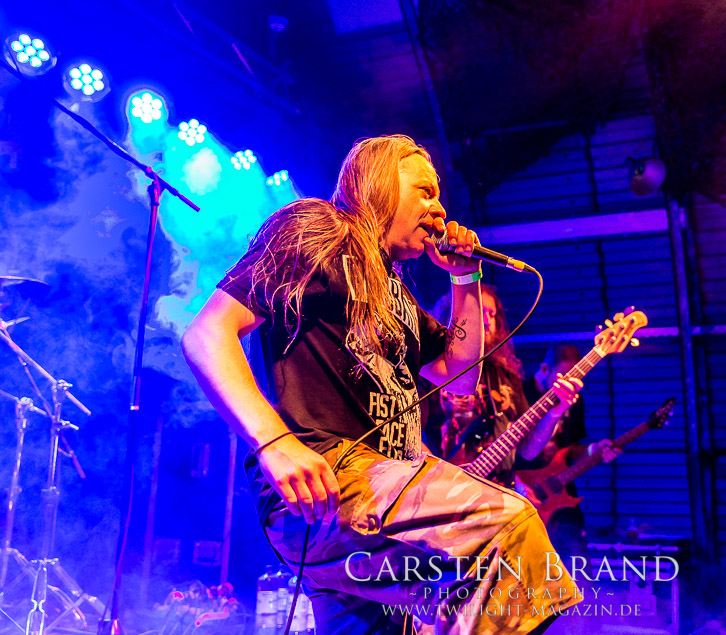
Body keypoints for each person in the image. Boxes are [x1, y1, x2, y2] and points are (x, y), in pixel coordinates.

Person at [180, 135, 583, 635]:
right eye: (425, 191)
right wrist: (275, 442)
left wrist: (465, 278)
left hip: (381, 497)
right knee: (509, 528)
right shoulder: (318, 231)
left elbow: (461, 377)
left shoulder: (395, 290)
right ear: (378, 184)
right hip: (330, 478)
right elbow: (207, 334)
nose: (439, 209)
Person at [422, 286, 579, 488]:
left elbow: (528, 450)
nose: (487, 321)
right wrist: (433, 482)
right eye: (480, 311)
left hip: (497, 494)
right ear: (455, 314)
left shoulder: (508, 378)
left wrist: (554, 413)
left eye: (492, 314)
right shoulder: (433, 369)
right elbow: (411, 436)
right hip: (440, 491)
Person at [518, 344, 620, 560]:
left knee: (578, 560)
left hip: (559, 492)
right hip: (522, 494)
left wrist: (593, 450)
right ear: (544, 369)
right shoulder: (518, 394)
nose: (567, 385)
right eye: (562, 377)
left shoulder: (575, 401)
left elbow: (569, 451)